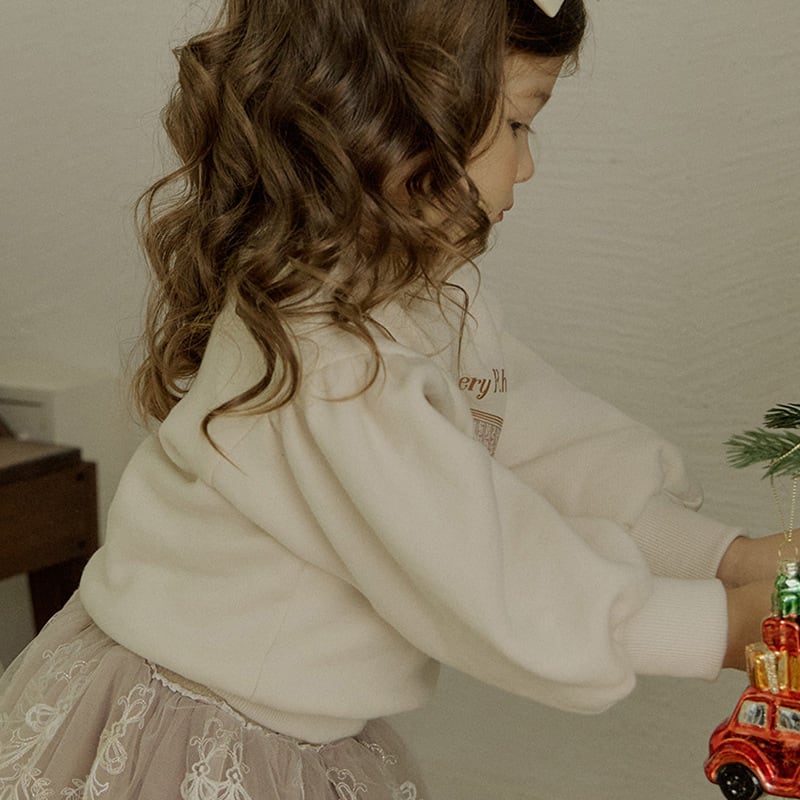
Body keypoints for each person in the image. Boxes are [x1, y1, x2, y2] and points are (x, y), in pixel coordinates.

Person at [0, 0, 781, 797]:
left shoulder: (419, 299)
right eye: (516, 125)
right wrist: (721, 628)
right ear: (395, 128)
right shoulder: (332, 364)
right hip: (204, 733)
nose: (527, 165)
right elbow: (493, 577)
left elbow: (543, 444)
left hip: (288, 722)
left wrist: (727, 559)